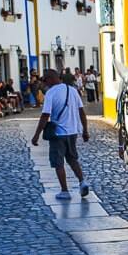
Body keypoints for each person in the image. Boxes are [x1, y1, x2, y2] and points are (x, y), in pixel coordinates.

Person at [31, 69, 90, 200]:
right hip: (72, 132)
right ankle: (82, 182)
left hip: (58, 133)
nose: (44, 83)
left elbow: (45, 115)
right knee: (72, 159)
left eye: (45, 80)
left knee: (58, 162)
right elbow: (82, 112)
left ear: (51, 78)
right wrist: (85, 130)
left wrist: (36, 135)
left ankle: (64, 190)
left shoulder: (51, 93)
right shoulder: (72, 90)